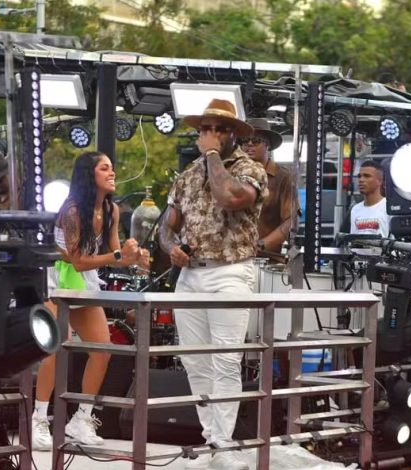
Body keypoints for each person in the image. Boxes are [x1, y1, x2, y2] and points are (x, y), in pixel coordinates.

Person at [159, 99, 267, 470]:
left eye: (221, 129)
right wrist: (172, 248)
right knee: (194, 361)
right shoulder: (187, 175)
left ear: (234, 135)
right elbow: (167, 226)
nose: (212, 134)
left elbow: (229, 197)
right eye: (207, 128)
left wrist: (212, 156)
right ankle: (211, 440)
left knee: (226, 359)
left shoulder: (249, 169)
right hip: (191, 275)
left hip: (230, 271)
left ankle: (224, 443)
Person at [32, 151, 147, 450]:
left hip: (83, 281)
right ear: (89, 175)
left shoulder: (111, 209)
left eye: (111, 167)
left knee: (102, 349)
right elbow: (79, 261)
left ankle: (81, 419)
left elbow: (115, 256)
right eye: (104, 168)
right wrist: (119, 255)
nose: (112, 173)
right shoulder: (72, 210)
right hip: (58, 279)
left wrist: (134, 257)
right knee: (57, 347)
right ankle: (38, 419)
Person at [242, 118, 296, 260]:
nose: (249, 144)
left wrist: (261, 245)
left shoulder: (282, 177)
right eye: (245, 140)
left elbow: (291, 221)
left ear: (268, 145)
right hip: (234, 259)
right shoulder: (233, 174)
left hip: (267, 260)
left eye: (256, 140)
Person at [349, 160, 390, 238]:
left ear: (380, 181)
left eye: (367, 176)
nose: (361, 180)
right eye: (359, 176)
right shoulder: (355, 209)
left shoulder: (389, 207)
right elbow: (353, 239)